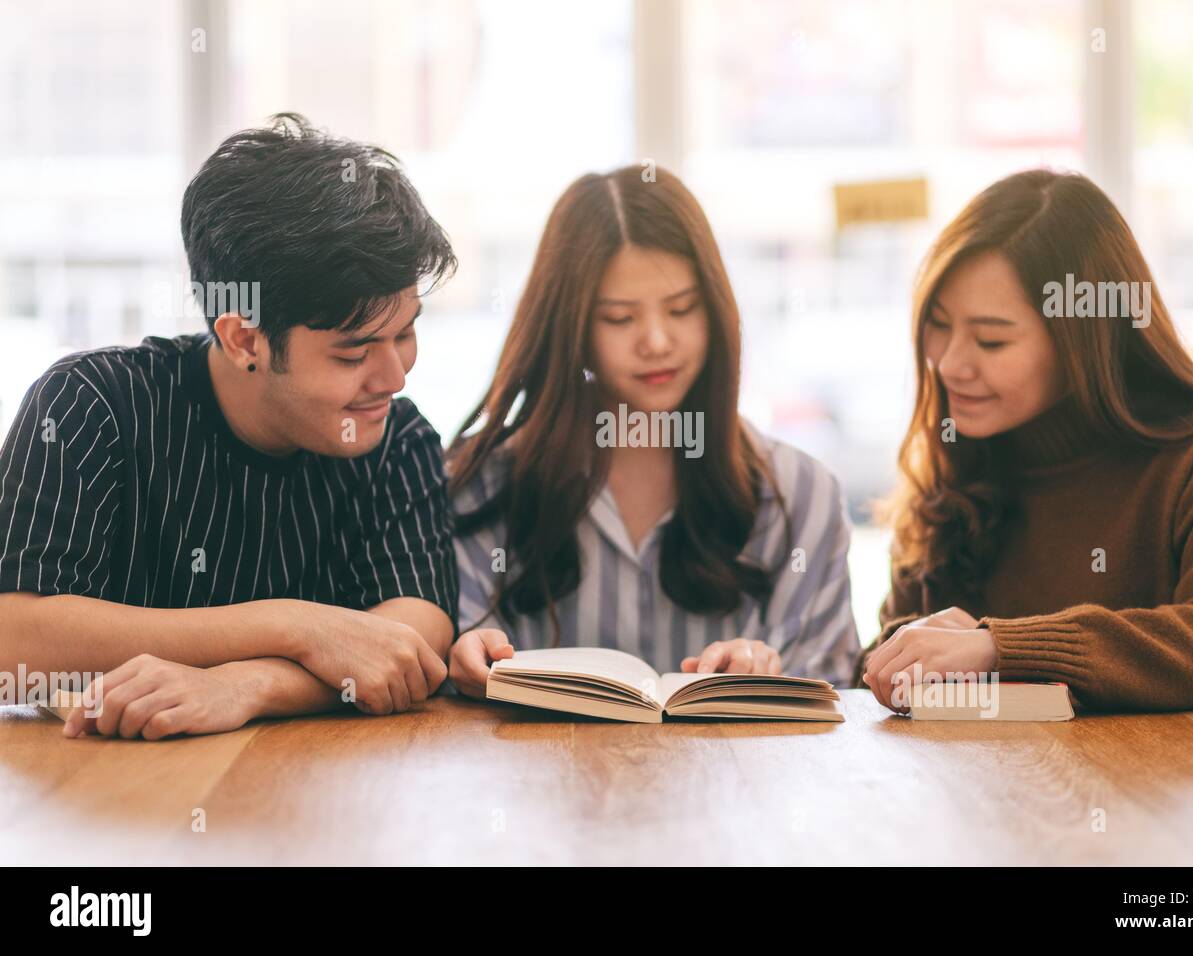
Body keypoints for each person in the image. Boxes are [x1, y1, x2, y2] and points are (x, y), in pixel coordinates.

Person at [0, 114, 459, 738]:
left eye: (406, 333)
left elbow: (411, 641)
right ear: (245, 338)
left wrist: (246, 684)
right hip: (102, 803)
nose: (394, 375)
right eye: (354, 353)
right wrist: (296, 626)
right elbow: (15, 639)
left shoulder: (397, 439)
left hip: (323, 801)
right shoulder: (90, 405)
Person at [863, 169, 1193, 713]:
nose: (950, 364)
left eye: (992, 340)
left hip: (1173, 795)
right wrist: (906, 647)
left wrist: (999, 647)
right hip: (997, 793)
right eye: (938, 323)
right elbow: (884, 672)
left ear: (1084, 343)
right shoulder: (962, 456)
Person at [447, 165, 860, 698]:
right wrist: (466, 666)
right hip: (543, 780)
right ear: (571, 328)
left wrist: (768, 681)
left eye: (683, 309)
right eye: (620, 319)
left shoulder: (801, 495)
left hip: (738, 780)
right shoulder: (482, 487)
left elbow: (831, 700)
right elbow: (452, 689)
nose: (658, 341)